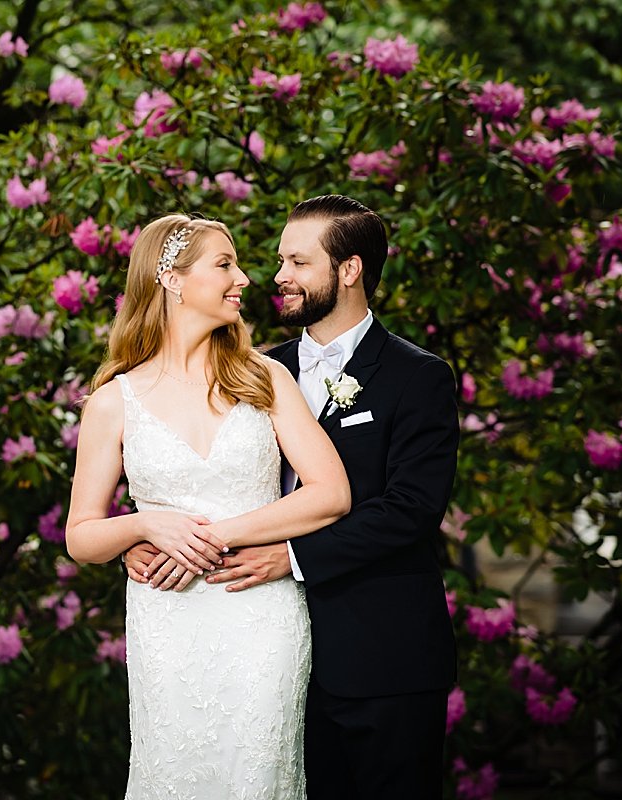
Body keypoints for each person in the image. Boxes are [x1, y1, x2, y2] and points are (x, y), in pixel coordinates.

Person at [127, 195, 460, 799]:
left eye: (298, 263)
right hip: (267, 655)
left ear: (349, 270)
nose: (279, 276)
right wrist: (144, 535)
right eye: (281, 260)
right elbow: (202, 471)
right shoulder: (252, 372)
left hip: (382, 653)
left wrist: (293, 556)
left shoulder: (419, 376)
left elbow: (411, 508)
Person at [64, 213, 351, 800]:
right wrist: (144, 523)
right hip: (167, 622)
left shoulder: (265, 378)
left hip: (260, 619)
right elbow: (81, 537)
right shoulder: (111, 402)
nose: (243, 278)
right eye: (224, 264)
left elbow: (331, 493)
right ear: (170, 278)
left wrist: (214, 535)